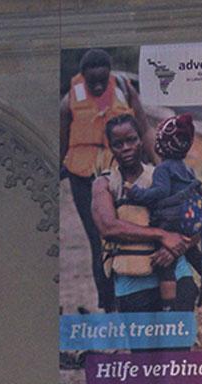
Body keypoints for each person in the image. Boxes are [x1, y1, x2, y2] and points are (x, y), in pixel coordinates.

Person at [90, 115, 201, 384]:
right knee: (147, 370)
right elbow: (109, 226)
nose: (126, 148)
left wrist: (177, 246)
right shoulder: (103, 184)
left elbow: (193, 220)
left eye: (131, 140)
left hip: (175, 279)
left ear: (142, 140)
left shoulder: (163, 174)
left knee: (177, 372)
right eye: (118, 143)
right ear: (110, 147)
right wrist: (160, 235)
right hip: (131, 286)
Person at [60, 48, 150, 312]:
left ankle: (127, 299)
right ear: (83, 76)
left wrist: (158, 163)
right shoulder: (69, 100)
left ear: (109, 74)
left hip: (117, 175)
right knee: (98, 239)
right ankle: (108, 303)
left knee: (123, 236)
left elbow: (143, 129)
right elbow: (63, 139)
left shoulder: (124, 89)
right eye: (92, 81)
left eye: (103, 79)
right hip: (82, 178)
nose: (98, 85)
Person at [116, 113, 202, 306]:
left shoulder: (163, 169)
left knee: (166, 265)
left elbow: (159, 192)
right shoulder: (187, 169)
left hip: (172, 220)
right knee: (192, 252)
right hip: (190, 218)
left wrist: (135, 192)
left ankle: (167, 306)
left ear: (161, 144)